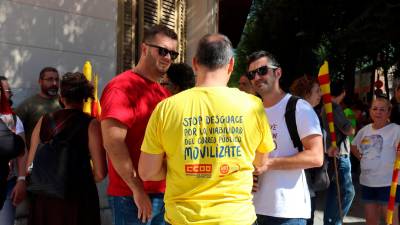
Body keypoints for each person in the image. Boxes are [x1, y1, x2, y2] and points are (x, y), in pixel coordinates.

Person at [139, 33, 275, 225]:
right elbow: (260, 164)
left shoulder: (166, 108)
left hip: (182, 219)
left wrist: (178, 167)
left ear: (195, 63)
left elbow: (147, 171)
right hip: (236, 218)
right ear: (231, 65)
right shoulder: (253, 106)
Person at [100, 24, 177, 225]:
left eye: (173, 53)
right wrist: (137, 189)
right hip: (132, 197)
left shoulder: (163, 93)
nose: (168, 57)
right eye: (162, 50)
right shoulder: (121, 87)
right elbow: (113, 144)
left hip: (163, 193)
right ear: (144, 49)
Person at [247, 51, 323, 225]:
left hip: (287, 211)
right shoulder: (250, 111)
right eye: (252, 74)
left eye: (262, 70)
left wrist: (269, 163)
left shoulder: (298, 108)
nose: (257, 77)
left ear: (278, 73)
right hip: (250, 209)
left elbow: (316, 157)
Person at [26, 72, 107, 225]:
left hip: (45, 199)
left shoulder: (44, 120)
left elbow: (30, 164)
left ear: (61, 97)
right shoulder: (91, 124)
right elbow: (101, 173)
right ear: (85, 98)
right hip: (78, 199)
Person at [351, 97, 400, 225]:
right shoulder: (365, 130)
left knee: (391, 221)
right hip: (368, 182)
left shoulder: (396, 130)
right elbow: (353, 145)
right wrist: (361, 157)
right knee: (370, 220)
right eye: (375, 109)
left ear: (389, 112)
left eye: (382, 110)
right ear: (370, 111)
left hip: (388, 183)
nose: (378, 112)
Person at [290, 75, 323, 225]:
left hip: (306, 175)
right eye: (317, 91)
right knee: (307, 215)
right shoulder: (304, 111)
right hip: (302, 175)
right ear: (307, 92)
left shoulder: (309, 111)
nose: (320, 95)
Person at [322, 82, 355, 225]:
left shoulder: (326, 107)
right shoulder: (334, 107)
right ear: (343, 93)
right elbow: (348, 129)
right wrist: (352, 127)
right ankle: (335, 221)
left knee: (335, 191)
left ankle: (330, 221)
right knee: (347, 192)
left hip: (333, 153)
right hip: (339, 153)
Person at [0, 76, 27, 225]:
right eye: (4, 90)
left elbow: (22, 151)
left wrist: (21, 179)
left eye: (8, 91)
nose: (7, 94)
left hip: (7, 183)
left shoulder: (13, 119)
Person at [16, 67, 61, 149]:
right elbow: (15, 134)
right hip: (36, 157)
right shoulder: (28, 105)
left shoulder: (65, 103)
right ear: (40, 81)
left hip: (62, 157)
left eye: (57, 80)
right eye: (49, 79)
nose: (54, 83)